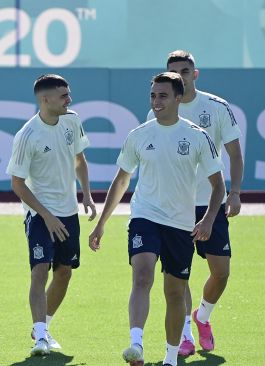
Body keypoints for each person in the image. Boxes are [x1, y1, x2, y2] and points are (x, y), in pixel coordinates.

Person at [89, 72, 225, 366]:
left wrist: (209, 219)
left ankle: (171, 357)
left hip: (180, 224)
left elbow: (218, 185)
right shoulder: (139, 135)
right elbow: (122, 180)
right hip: (145, 216)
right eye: (153, 95)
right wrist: (101, 222)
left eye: (163, 95)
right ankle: (135, 344)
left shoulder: (196, 136)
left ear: (179, 97)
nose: (156, 101)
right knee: (142, 274)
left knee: (175, 292)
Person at [146, 50, 244, 356]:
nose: (180, 77)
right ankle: (185, 335)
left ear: (194, 74)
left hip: (210, 204)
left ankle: (202, 317)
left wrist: (236, 192)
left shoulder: (216, 108)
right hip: (175, 207)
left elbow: (235, 153)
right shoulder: (156, 112)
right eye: (174, 72)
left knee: (221, 272)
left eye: (185, 72)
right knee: (179, 273)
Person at [6, 74, 96, 356]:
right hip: (40, 214)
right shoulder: (27, 135)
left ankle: (43, 325)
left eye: (69, 94)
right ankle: (41, 338)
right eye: (63, 96)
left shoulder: (72, 120)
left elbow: (80, 160)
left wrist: (87, 194)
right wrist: (45, 215)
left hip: (68, 212)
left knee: (65, 272)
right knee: (39, 270)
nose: (69, 100)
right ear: (45, 100)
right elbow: (17, 183)